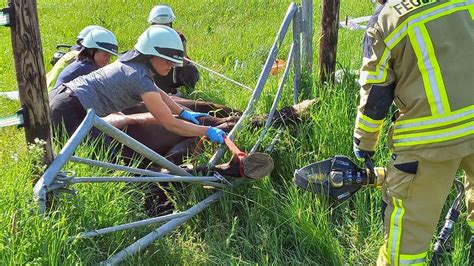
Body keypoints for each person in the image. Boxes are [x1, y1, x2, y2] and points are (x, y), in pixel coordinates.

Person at [352, 0, 474, 264]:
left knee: (406, 238)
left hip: (428, 141)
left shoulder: (385, 21)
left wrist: (364, 142)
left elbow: (376, 95)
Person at [49, 25, 225, 144]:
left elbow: (158, 92)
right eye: (168, 62)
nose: (171, 67)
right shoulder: (138, 77)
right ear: (151, 55)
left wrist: (182, 111)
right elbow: (170, 124)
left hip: (65, 101)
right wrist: (207, 131)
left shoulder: (134, 66)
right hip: (67, 112)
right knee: (107, 156)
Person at [147, 4, 199, 94]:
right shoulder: (148, 38)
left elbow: (184, 61)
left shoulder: (179, 37)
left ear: (171, 24)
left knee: (191, 70)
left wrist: (173, 58)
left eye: (166, 25)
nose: (163, 28)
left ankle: (189, 94)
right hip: (157, 75)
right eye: (159, 25)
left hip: (174, 72)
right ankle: (167, 92)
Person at [51, 28, 118, 92]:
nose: (108, 60)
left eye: (110, 56)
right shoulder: (87, 69)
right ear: (92, 51)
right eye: (105, 55)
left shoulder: (84, 63)